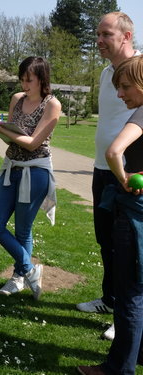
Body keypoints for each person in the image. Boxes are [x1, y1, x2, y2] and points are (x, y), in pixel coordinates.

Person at [77, 54, 143, 375]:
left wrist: (125, 178)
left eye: (126, 87)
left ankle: (117, 369)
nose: (120, 95)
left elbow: (113, 151)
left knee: (129, 291)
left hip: (134, 217)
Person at [0, 57, 61, 300]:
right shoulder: (17, 99)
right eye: (22, 79)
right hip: (11, 167)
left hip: (36, 171)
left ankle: (18, 277)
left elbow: (33, 143)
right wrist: (1, 129)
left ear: (42, 79)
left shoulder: (52, 105)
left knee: (22, 230)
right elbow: (11, 138)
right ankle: (30, 269)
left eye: (29, 79)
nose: (24, 84)